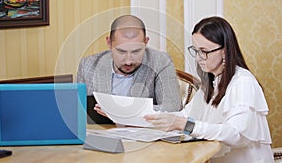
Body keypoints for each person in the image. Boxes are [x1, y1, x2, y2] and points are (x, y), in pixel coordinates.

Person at [144, 16, 274, 163]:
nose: (199, 58)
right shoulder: (211, 83)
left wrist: (185, 125)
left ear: (224, 51)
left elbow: (236, 134)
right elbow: (185, 115)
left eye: (204, 51)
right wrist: (146, 116)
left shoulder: (243, 82)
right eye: (196, 50)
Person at [77, 15, 182, 117]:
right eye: (121, 52)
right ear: (109, 42)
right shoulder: (88, 65)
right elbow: (78, 111)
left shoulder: (161, 62)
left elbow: (173, 109)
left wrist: (124, 112)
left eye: (136, 52)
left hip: (143, 133)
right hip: (101, 132)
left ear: (146, 42)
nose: (128, 61)